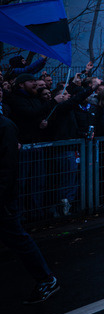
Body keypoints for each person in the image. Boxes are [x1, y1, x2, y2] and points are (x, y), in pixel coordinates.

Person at [0, 113, 60, 303]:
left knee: (17, 238)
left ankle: (46, 279)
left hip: (3, 200)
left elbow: (7, 168)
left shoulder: (5, 126)